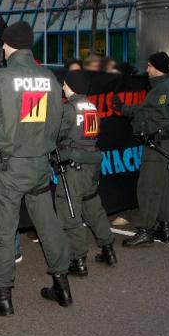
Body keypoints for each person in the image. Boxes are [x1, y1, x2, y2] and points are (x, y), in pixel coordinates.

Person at [0, 21, 72, 314]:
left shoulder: (1, 78)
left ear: (8, 45)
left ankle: (2, 296)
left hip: (9, 167)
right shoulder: (49, 78)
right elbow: (59, 122)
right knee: (48, 224)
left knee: (3, 231)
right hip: (40, 165)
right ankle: (62, 285)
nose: (3, 49)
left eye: (4, 44)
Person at [55, 70, 117, 276]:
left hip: (74, 166)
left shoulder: (69, 109)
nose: (63, 87)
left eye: (64, 84)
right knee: (92, 206)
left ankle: (78, 260)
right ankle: (108, 248)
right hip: (92, 164)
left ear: (71, 85)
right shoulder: (91, 106)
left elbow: (57, 134)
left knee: (69, 210)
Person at [115, 52, 169, 247]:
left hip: (157, 141)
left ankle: (145, 230)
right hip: (159, 140)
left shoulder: (163, 89)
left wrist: (145, 129)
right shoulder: (162, 87)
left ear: (158, 67)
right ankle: (165, 226)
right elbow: (146, 110)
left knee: (148, 186)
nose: (147, 69)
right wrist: (124, 108)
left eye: (150, 65)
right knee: (162, 184)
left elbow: (160, 118)